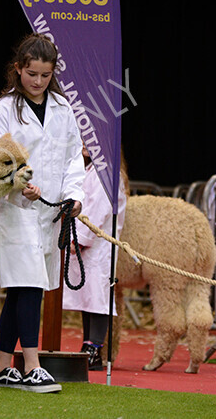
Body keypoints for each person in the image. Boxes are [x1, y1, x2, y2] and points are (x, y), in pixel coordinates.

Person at [0, 33, 85, 393]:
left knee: (22, 289)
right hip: (15, 210)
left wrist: (74, 195)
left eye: (44, 75)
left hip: (50, 213)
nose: (38, 81)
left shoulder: (63, 108)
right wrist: (16, 182)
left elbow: (75, 157)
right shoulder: (2, 110)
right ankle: (31, 367)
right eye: (31, 74)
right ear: (18, 69)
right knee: (28, 286)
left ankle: (0, 369)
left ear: (53, 73)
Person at [62, 146, 128, 370]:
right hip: (86, 241)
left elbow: (98, 210)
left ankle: (94, 348)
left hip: (98, 243)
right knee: (87, 295)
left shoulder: (106, 173)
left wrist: (81, 239)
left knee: (98, 295)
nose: (83, 145)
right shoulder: (89, 170)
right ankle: (87, 345)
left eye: (89, 141)